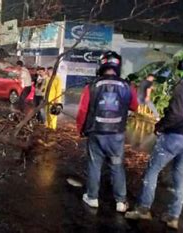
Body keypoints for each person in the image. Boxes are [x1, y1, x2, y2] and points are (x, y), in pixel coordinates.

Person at [125, 46, 183, 230]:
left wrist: (160, 126)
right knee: (179, 177)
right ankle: (173, 216)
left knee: (152, 171)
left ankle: (143, 209)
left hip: (175, 136)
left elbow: (176, 113)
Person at [76, 51, 138, 213]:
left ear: (101, 65)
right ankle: (120, 201)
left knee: (95, 165)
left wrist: (80, 130)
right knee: (117, 166)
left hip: (96, 133)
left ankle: (92, 197)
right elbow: (134, 106)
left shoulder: (91, 86)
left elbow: (83, 111)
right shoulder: (127, 86)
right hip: (117, 135)